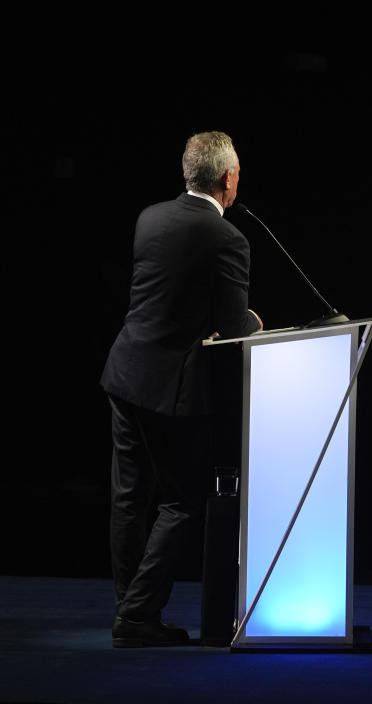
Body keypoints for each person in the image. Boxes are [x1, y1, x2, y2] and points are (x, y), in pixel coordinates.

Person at [100, 131, 261, 646]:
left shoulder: (150, 218)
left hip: (124, 374)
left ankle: (131, 612)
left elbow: (170, 298)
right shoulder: (228, 239)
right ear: (229, 178)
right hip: (167, 390)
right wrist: (252, 324)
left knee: (129, 498)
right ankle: (137, 615)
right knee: (182, 502)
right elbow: (234, 327)